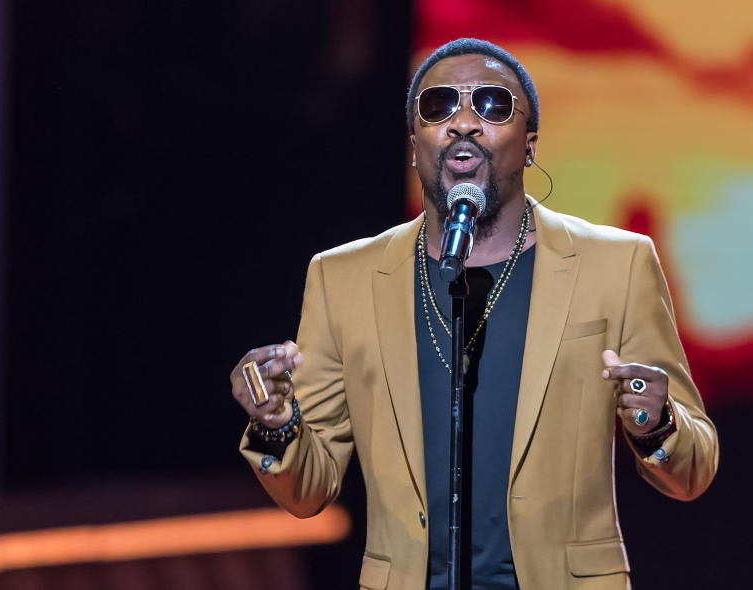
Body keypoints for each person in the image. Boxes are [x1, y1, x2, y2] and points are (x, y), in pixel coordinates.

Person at [230, 38, 718, 590]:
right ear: (414, 146)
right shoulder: (342, 278)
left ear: (530, 144)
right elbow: (308, 490)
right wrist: (277, 426)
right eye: (438, 106)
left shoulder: (619, 265)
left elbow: (694, 472)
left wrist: (658, 425)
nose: (463, 122)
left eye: (491, 104)